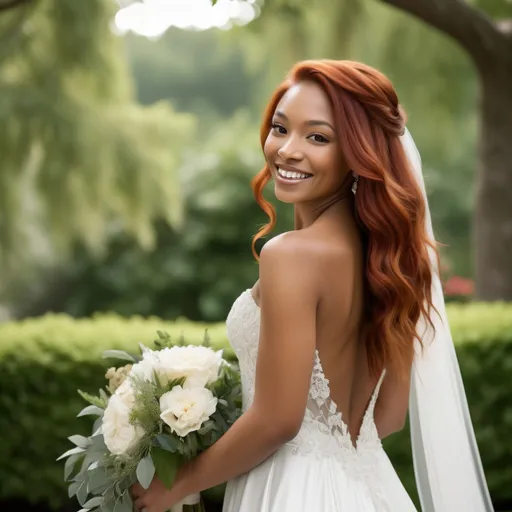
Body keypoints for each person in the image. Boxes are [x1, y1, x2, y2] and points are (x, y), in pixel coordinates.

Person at [132, 60, 493, 512]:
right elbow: (388, 417)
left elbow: (277, 421)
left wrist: (174, 483)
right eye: (280, 128)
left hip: (291, 493)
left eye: (318, 137)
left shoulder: (289, 255)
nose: (287, 150)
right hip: (369, 489)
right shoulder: (396, 263)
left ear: (358, 154)